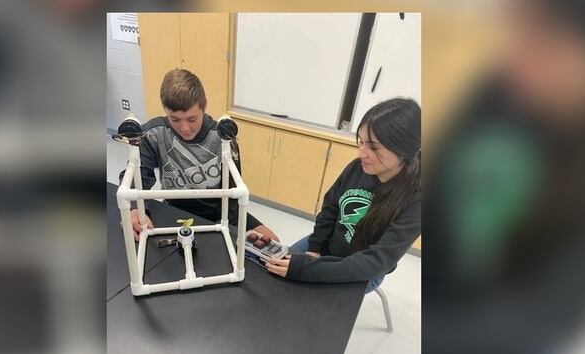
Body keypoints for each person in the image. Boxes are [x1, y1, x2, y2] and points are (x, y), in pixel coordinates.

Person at [266, 98, 421, 292]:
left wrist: (310, 269)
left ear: (404, 150)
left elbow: (376, 261)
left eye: (373, 147)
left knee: (309, 303)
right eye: (361, 142)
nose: (361, 153)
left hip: (364, 270)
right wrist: (314, 248)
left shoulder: (416, 198)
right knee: (272, 275)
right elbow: (330, 208)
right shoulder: (358, 168)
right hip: (327, 245)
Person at [118, 68, 278, 241]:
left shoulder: (223, 137)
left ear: (203, 108)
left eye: (192, 119)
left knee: (272, 242)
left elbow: (233, 193)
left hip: (220, 210)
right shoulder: (153, 134)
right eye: (175, 119)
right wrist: (134, 209)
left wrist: (224, 228)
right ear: (165, 111)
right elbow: (136, 176)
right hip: (176, 208)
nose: (185, 128)